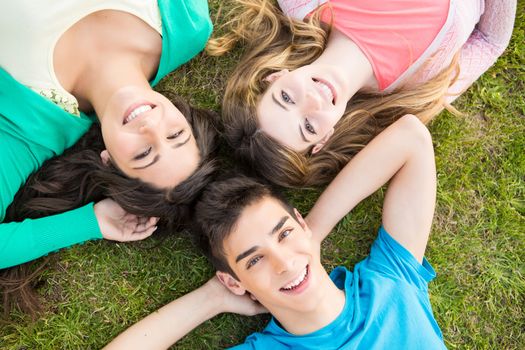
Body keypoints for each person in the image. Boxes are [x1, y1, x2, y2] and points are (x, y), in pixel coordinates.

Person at [105, 114, 443, 349]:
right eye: (253, 261)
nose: (283, 263)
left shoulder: (392, 283)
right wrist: (211, 299)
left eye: (283, 234)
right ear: (233, 280)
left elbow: (411, 137)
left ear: (299, 222)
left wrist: (314, 232)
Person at [0, 0, 218, 312]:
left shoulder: (32, 129)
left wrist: (90, 222)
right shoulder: (187, 27)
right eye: (175, 135)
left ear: (108, 160)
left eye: (144, 154)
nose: (151, 128)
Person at [208, 0, 516, 187]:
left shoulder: (304, 6)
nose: (312, 101)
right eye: (308, 127)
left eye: (286, 98)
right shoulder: (418, 90)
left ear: (274, 77)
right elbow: (491, 41)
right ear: (324, 139)